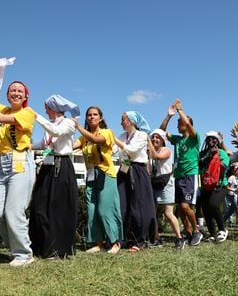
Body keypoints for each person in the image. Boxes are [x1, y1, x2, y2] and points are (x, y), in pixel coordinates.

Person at [0, 82, 36, 266]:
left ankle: (24, 254)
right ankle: (16, 248)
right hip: (3, 165)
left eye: (20, 91)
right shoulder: (6, 110)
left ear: (26, 96)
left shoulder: (27, 113)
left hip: (20, 162)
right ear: (8, 95)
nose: (16, 93)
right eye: (13, 90)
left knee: (13, 211)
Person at [29, 95, 79, 258]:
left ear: (55, 108)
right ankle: (42, 246)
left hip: (62, 165)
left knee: (58, 207)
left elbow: (57, 132)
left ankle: (58, 248)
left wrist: (37, 117)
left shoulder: (69, 123)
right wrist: (26, 146)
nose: (45, 110)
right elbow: (44, 144)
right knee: (40, 204)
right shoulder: (49, 125)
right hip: (48, 166)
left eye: (47, 108)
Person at [73, 106, 122, 254]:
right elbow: (71, 146)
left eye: (95, 115)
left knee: (105, 209)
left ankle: (115, 242)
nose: (92, 117)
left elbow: (95, 139)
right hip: (91, 175)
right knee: (92, 210)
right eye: (89, 115)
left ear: (100, 118)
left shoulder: (107, 133)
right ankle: (98, 243)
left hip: (105, 174)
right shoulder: (83, 138)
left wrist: (77, 126)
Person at [159, 99, 202, 246]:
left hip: (190, 175)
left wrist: (180, 110)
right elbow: (160, 132)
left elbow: (189, 125)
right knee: (180, 209)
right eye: (178, 122)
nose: (179, 124)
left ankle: (197, 231)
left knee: (185, 206)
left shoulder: (195, 139)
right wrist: (169, 116)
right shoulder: (178, 140)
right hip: (177, 176)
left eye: (180, 122)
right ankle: (188, 233)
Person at [115, 111, 156, 252]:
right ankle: (126, 238)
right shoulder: (122, 136)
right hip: (124, 170)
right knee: (123, 204)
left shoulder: (142, 135)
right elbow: (116, 151)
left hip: (137, 170)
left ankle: (140, 240)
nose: (121, 122)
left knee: (138, 205)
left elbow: (132, 151)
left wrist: (114, 140)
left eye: (123, 119)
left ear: (131, 121)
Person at [148, 128, 184, 249]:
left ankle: (179, 238)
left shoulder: (166, 150)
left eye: (157, 137)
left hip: (166, 184)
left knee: (168, 213)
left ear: (163, 140)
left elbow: (157, 156)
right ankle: (156, 239)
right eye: (153, 137)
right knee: (152, 213)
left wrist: (148, 143)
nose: (154, 139)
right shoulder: (150, 152)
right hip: (154, 183)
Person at [198, 131, 230, 242]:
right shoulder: (202, 153)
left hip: (220, 184)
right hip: (205, 184)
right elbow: (199, 164)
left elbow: (223, 168)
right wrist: (209, 156)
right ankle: (212, 233)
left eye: (214, 138)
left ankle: (222, 229)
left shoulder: (222, 153)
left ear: (218, 141)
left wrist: (215, 157)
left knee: (214, 205)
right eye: (208, 139)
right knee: (206, 210)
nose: (211, 141)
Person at [222, 162, 238, 228]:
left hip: (237, 195)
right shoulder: (231, 177)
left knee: (232, 209)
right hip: (231, 195)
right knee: (237, 207)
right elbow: (227, 187)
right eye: (236, 169)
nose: (237, 171)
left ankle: (222, 220)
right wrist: (233, 190)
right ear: (233, 171)